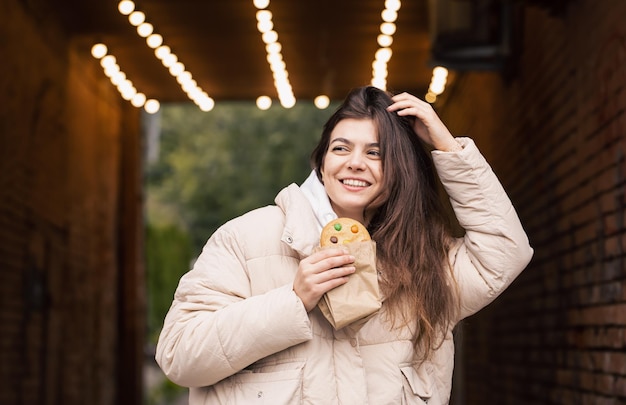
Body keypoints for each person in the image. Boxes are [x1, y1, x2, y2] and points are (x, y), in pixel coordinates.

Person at [155, 86, 533, 404]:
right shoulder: (247, 237)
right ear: (321, 161)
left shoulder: (423, 258)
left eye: (376, 152)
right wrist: (293, 301)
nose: (355, 163)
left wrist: (448, 148)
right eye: (340, 148)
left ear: (401, 167)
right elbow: (179, 355)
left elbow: (504, 252)